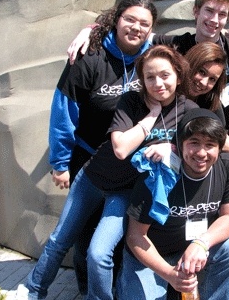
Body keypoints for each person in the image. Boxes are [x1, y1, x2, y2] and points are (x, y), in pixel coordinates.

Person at [66, 0, 229, 299]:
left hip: (219, 158)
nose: (215, 19)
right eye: (209, 10)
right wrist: (94, 29)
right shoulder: (176, 45)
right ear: (196, 12)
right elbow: (136, 34)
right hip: (157, 175)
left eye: (222, 14)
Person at [18, 45, 197, 300]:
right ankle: (34, 290)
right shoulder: (131, 101)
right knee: (60, 239)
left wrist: (172, 147)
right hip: (93, 179)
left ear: (178, 75)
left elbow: (216, 143)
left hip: (125, 192)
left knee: (99, 254)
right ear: (142, 80)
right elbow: (121, 148)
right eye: (150, 77)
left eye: (165, 75)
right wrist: (151, 118)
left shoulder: (188, 110)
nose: (158, 83)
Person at [48, 0, 157, 296]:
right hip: (88, 156)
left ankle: (116, 287)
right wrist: (59, 163)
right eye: (130, 19)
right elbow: (63, 112)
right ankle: (86, 290)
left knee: (117, 233)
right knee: (84, 232)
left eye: (144, 23)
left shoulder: (154, 55)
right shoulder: (88, 55)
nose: (136, 27)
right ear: (117, 18)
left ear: (151, 29)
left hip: (129, 161)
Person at [118, 108, 229, 300]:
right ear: (179, 145)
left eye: (210, 145)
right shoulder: (158, 173)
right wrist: (170, 275)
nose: (201, 153)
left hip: (196, 250)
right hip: (154, 254)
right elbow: (136, 236)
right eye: (194, 143)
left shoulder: (228, 165)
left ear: (220, 148)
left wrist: (202, 243)